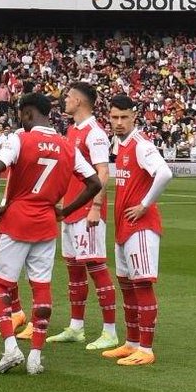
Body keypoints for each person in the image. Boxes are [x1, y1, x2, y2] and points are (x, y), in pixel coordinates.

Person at [0, 92, 101, 376]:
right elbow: (95, 182)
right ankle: (35, 356)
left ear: (27, 113)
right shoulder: (67, 146)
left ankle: (11, 348)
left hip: (16, 220)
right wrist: (66, 210)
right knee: (41, 287)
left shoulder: (19, 139)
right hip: (47, 223)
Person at [46, 82, 120, 351]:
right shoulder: (72, 130)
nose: (64, 100)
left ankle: (110, 331)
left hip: (87, 212)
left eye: (68, 97)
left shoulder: (95, 133)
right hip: (71, 210)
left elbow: (103, 172)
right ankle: (76, 327)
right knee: (74, 269)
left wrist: (96, 207)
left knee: (96, 267)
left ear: (78, 101)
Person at [102, 94, 173, 367]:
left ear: (134, 116)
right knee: (127, 284)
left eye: (124, 117)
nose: (118, 123)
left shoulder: (141, 145)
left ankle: (146, 348)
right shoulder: (120, 145)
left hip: (140, 227)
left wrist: (144, 205)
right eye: (114, 117)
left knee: (141, 284)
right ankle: (131, 342)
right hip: (124, 225)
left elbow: (164, 173)